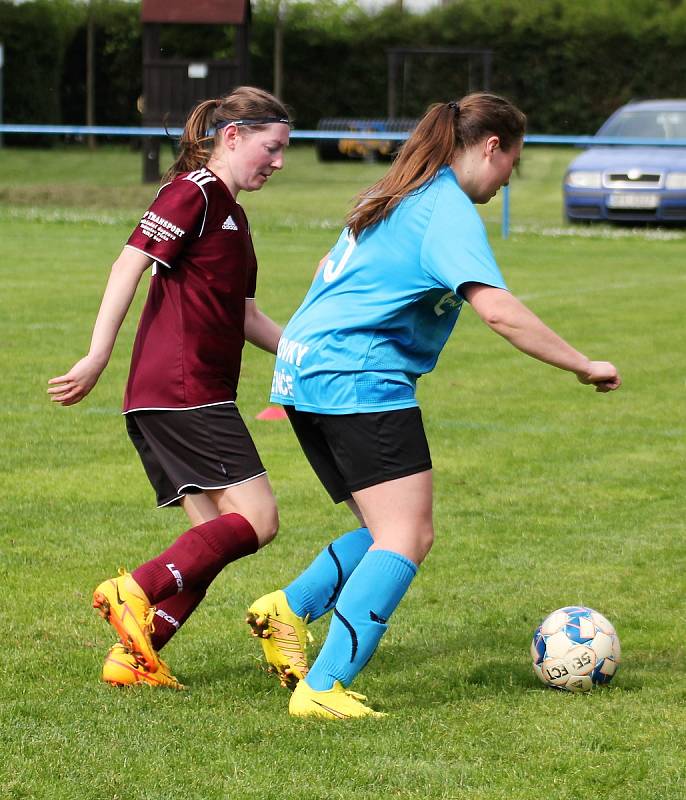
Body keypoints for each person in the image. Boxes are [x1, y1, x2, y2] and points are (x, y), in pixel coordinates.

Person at [245, 92, 621, 719]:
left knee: (383, 527)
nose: (508, 180)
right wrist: (584, 364)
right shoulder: (443, 207)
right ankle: (325, 686)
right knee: (408, 533)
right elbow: (498, 310)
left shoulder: (396, 192)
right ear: (491, 147)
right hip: (358, 380)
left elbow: (327, 267)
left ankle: (287, 608)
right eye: (513, 163)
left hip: (307, 376)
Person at [48, 86, 290, 689]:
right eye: (272, 147)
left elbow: (246, 317)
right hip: (184, 390)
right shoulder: (194, 192)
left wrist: (314, 358)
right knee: (258, 520)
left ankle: (138, 653)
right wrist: (97, 354)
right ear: (232, 137)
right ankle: (136, 588)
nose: (279, 162)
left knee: (211, 536)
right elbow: (128, 262)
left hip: (179, 392)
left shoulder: (234, 215)